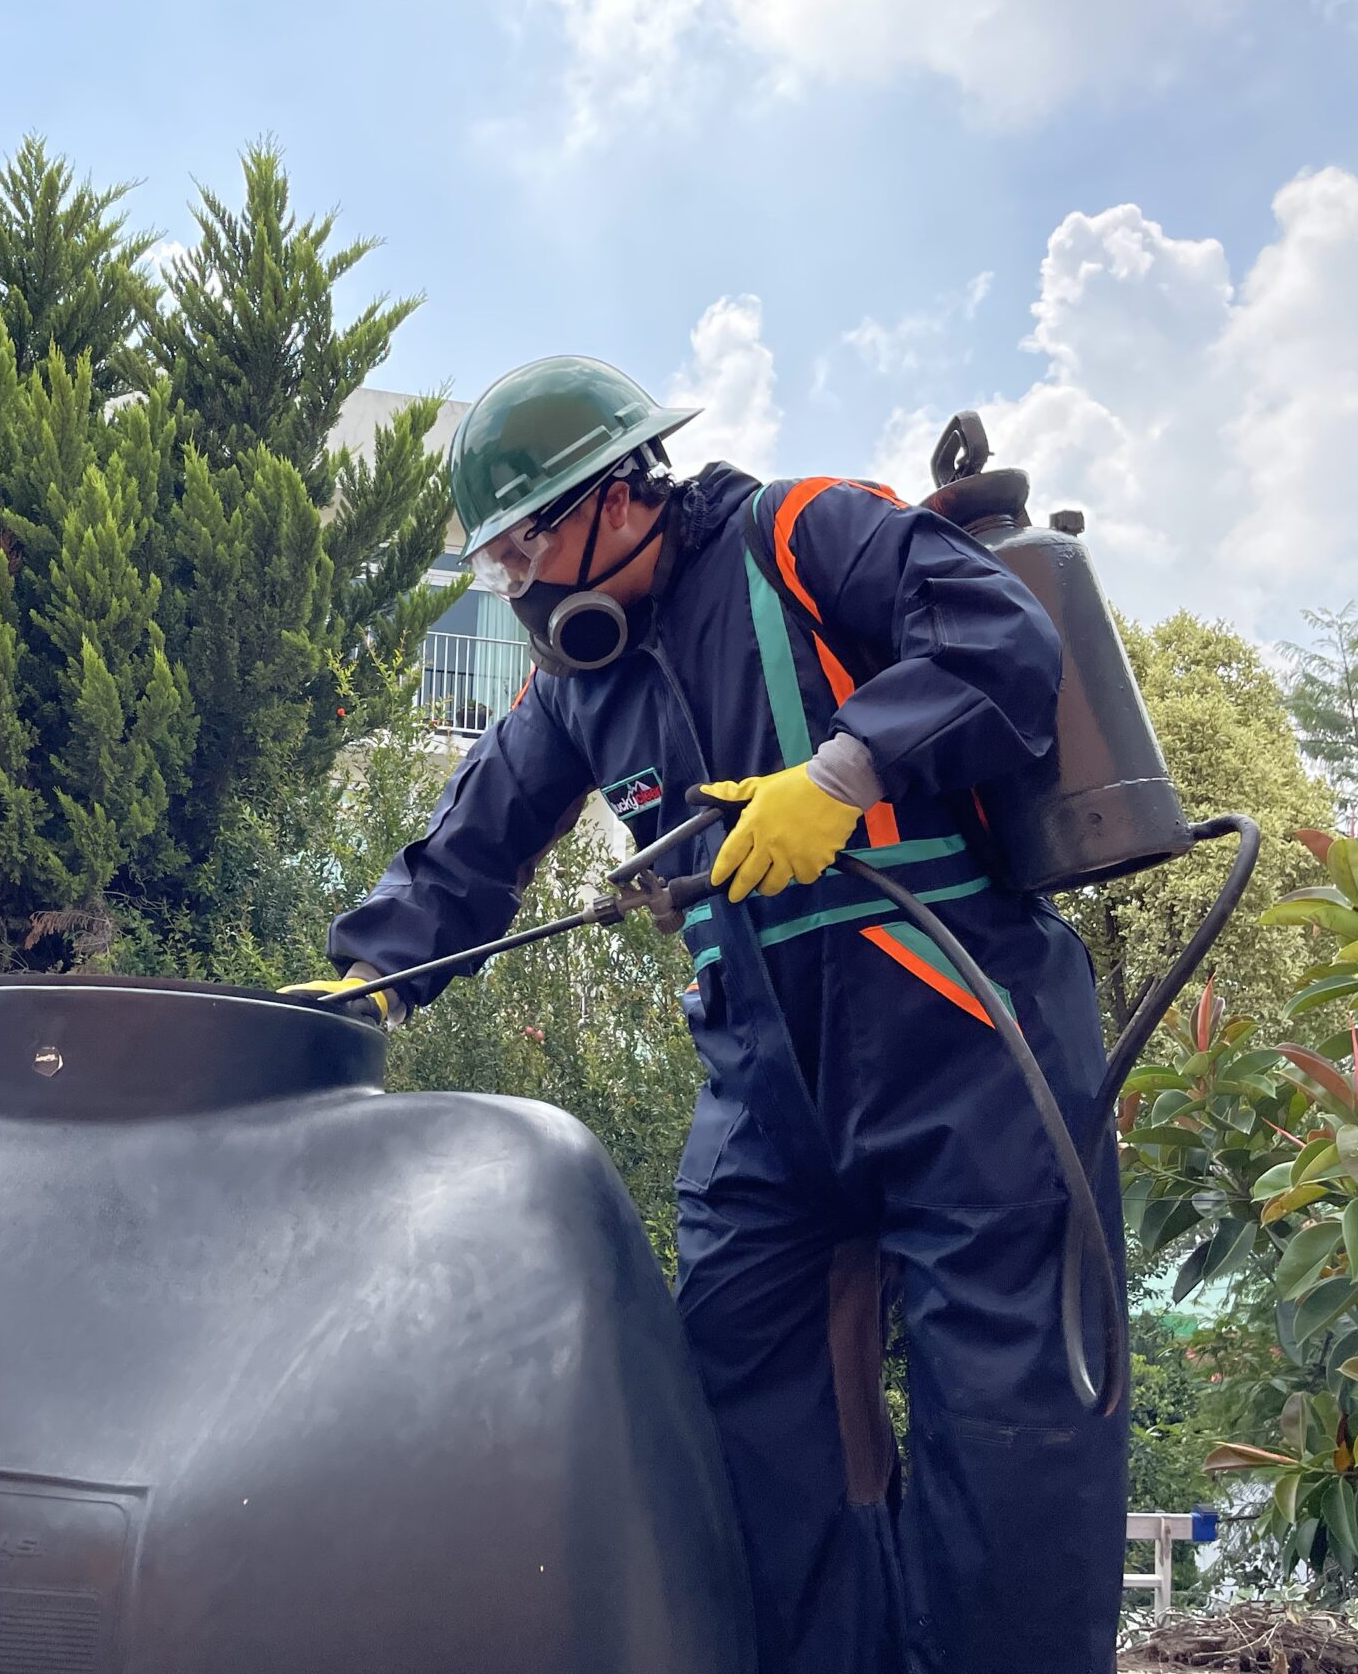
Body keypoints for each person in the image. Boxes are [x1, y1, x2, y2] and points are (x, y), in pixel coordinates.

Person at [287, 356, 1126, 1674]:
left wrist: (845, 771)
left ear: (620, 492)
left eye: (525, 545)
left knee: (1012, 1439)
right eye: (500, 561)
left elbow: (1001, 639)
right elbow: (476, 838)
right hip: (767, 1091)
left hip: (965, 1041)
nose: (518, 582)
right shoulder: (580, 680)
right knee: (748, 1430)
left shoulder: (800, 535)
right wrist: (368, 976)